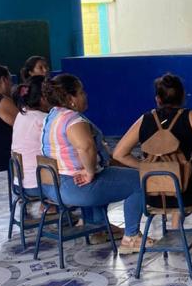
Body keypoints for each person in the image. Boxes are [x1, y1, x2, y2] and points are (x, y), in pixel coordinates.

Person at [113, 73, 192, 253]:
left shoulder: (144, 119)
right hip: (187, 191)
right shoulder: (191, 116)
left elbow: (119, 154)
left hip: (153, 195)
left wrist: (145, 168)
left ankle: (176, 231)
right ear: (183, 96)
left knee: (176, 184)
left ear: (157, 99)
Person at [41, 73, 146, 252]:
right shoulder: (73, 120)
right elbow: (86, 147)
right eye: (81, 92)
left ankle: (97, 228)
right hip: (73, 187)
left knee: (107, 176)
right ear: (70, 98)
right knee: (139, 181)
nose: (85, 95)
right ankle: (132, 237)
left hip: (52, 185)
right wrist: (89, 171)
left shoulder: (51, 116)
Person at [11, 75, 49, 197]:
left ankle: (49, 205)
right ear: (43, 99)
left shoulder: (21, 114)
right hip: (39, 184)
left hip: (20, 183)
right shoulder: (43, 120)